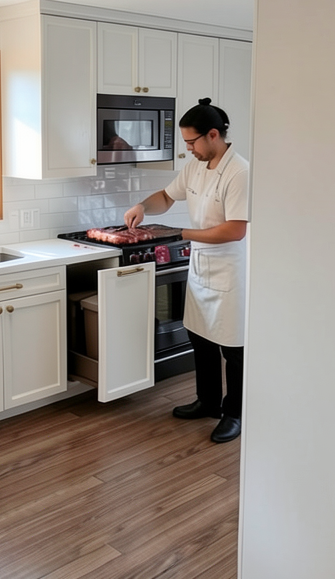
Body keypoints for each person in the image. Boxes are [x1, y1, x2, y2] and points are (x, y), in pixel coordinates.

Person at [123, 98, 249, 443]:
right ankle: (207, 401)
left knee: (233, 349)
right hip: (202, 266)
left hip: (231, 269)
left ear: (213, 135)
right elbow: (167, 196)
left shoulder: (240, 172)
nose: (189, 149)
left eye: (192, 142)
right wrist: (143, 206)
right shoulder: (195, 166)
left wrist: (181, 233)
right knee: (200, 338)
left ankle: (234, 413)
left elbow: (235, 229)